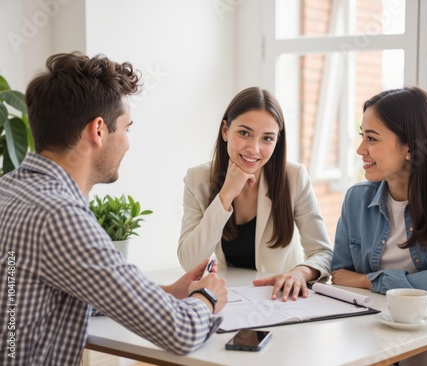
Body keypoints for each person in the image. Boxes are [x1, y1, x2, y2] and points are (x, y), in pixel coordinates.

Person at [0, 52, 228, 365]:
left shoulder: (9, 189)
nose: (128, 142)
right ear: (98, 130)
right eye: (126, 128)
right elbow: (182, 331)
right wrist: (207, 296)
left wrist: (167, 292)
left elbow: (43, 292)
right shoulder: (60, 215)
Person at [331, 86, 427, 365]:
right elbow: (341, 277)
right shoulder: (357, 198)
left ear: (410, 147)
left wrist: (369, 280)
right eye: (361, 136)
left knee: (424, 358)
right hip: (377, 329)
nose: (360, 149)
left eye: (372, 139)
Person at [177, 86, 332, 302]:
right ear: (225, 131)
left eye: (267, 138)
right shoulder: (198, 179)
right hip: (228, 298)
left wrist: (299, 273)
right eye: (244, 133)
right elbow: (190, 262)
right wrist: (226, 195)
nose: (254, 148)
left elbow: (323, 253)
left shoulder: (294, 177)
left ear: (277, 141)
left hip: (280, 299)